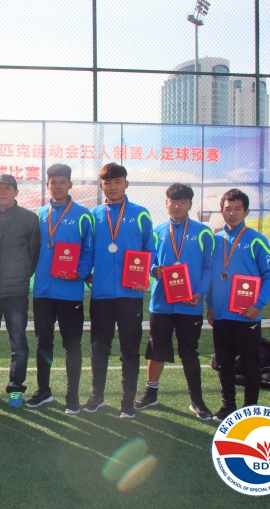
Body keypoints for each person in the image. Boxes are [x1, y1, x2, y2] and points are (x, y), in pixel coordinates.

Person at [134, 183, 214, 420]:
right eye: (173, 201)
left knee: (189, 353)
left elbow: (208, 267)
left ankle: (196, 400)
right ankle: (151, 393)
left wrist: (199, 293)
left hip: (190, 304)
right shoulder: (157, 231)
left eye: (182, 202)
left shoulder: (203, 232)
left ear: (190, 204)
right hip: (161, 304)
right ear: (166, 203)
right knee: (156, 350)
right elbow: (149, 260)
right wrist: (153, 270)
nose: (177, 206)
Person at [85, 163, 155, 419]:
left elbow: (150, 249)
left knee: (130, 348)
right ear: (101, 186)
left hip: (130, 294)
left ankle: (127, 400)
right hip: (101, 293)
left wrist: (146, 274)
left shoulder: (141, 214)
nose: (113, 187)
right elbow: (88, 250)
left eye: (117, 182)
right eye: (108, 183)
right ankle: (97, 395)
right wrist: (85, 272)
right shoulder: (93, 215)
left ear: (126, 183)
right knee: (99, 346)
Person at [206, 188, 270, 421]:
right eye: (228, 209)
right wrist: (210, 305)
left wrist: (259, 304)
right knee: (224, 363)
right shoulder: (215, 240)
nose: (232, 213)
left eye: (238, 208)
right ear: (221, 211)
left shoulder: (256, 240)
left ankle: (250, 409)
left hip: (247, 315)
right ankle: (228, 406)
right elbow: (210, 277)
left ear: (246, 211)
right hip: (221, 316)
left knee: (250, 364)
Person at [28, 164, 94, 413]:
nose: (57, 186)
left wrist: (81, 272)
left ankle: (72, 396)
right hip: (43, 291)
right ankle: (43, 391)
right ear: (47, 185)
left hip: (70, 291)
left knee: (72, 344)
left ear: (70, 185)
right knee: (43, 342)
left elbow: (88, 250)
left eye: (62, 182)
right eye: (53, 182)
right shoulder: (38, 214)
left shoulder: (83, 215)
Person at [0, 174, 41, 407]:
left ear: (16, 192)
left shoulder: (29, 219)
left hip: (16, 292)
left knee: (18, 342)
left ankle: (16, 388)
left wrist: (21, 277)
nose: (2, 192)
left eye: (7, 188)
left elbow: (34, 254)